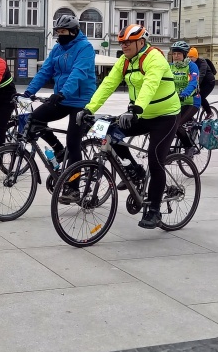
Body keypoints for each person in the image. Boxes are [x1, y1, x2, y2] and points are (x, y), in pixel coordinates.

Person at [77, 25, 180, 229]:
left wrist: (136, 108)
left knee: (155, 159)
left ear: (141, 42)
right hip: (140, 113)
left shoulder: (154, 58)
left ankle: (154, 210)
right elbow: (108, 84)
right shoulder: (124, 61)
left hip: (165, 116)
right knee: (108, 132)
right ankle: (134, 170)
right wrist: (88, 109)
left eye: (128, 42)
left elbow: (150, 85)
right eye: (122, 42)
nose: (124, 46)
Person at [22, 14, 96, 177]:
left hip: (80, 100)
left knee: (73, 142)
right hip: (62, 97)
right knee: (34, 119)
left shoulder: (85, 47)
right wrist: (28, 92)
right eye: (58, 31)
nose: (60, 35)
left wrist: (63, 93)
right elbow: (45, 71)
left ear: (74, 31)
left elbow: (78, 73)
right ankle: (58, 148)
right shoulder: (57, 48)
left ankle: (74, 187)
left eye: (64, 31)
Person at [170, 41, 201, 156]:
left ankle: (189, 147)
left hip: (191, 101)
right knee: (165, 123)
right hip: (176, 101)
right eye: (174, 54)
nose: (176, 56)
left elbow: (193, 82)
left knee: (176, 125)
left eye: (178, 54)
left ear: (184, 55)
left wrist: (184, 94)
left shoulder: (192, 66)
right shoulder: (170, 67)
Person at [189, 47, 216, 117]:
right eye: (188, 57)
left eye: (191, 57)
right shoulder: (190, 64)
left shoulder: (202, 62)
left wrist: (195, 84)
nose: (190, 59)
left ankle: (209, 112)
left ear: (196, 57)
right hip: (201, 82)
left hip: (209, 82)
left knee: (200, 96)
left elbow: (201, 74)